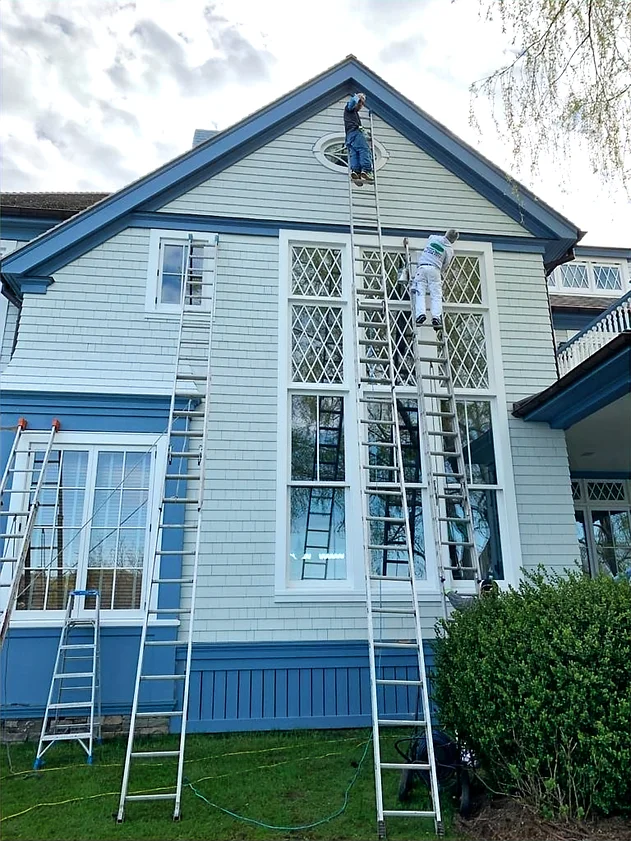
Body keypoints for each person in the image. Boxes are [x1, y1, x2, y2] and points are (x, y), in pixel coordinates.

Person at [411, 229, 459, 328]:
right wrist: (439, 271)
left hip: (422, 267)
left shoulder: (433, 237)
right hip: (435, 269)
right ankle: (436, 317)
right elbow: (445, 265)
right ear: (453, 241)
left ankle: (420, 315)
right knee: (436, 295)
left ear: (446, 234)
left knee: (420, 292)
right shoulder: (449, 250)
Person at [343, 92, 374, 185]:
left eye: (362, 104)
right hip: (355, 133)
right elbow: (351, 103)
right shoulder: (349, 110)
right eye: (360, 103)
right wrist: (358, 98)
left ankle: (356, 172)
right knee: (364, 150)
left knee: (354, 153)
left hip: (349, 136)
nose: (361, 105)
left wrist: (366, 134)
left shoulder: (352, 115)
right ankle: (367, 170)